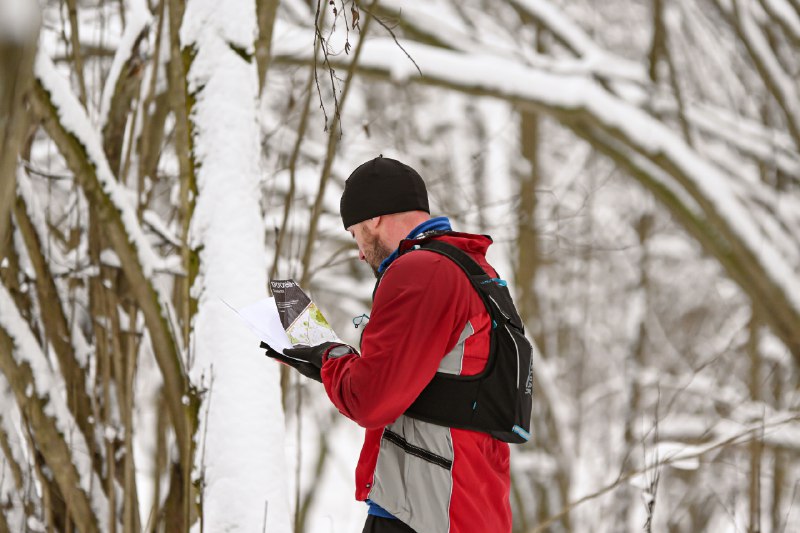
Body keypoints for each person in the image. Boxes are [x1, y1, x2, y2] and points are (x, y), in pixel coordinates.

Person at [267, 156, 512, 533]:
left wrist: (330, 357)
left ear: (374, 218)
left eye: (355, 234)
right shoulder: (471, 269)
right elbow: (439, 388)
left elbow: (371, 401)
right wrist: (329, 366)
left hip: (426, 509)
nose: (360, 253)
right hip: (466, 503)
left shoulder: (421, 271)